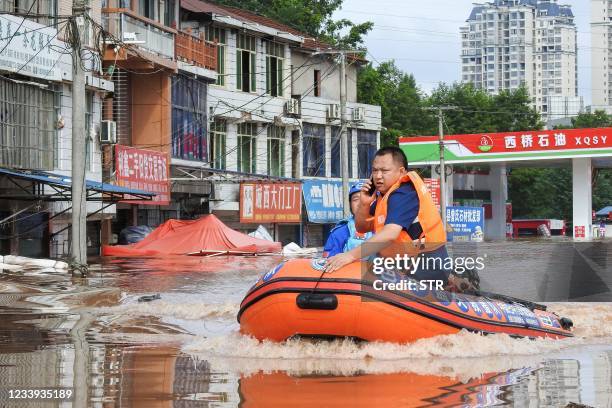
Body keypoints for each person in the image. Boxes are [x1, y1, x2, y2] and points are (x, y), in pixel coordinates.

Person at [324, 146, 451, 285]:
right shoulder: (383, 196)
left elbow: (390, 234)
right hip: (404, 263)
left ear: (401, 171)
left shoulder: (404, 193)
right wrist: (364, 204)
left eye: (384, 171)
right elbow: (361, 227)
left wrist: (349, 255)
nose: (378, 176)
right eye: (375, 171)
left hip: (425, 265)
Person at [323, 182, 373, 258]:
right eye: (356, 199)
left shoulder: (387, 228)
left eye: (366, 197)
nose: (361, 203)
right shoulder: (339, 232)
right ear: (350, 204)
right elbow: (328, 264)